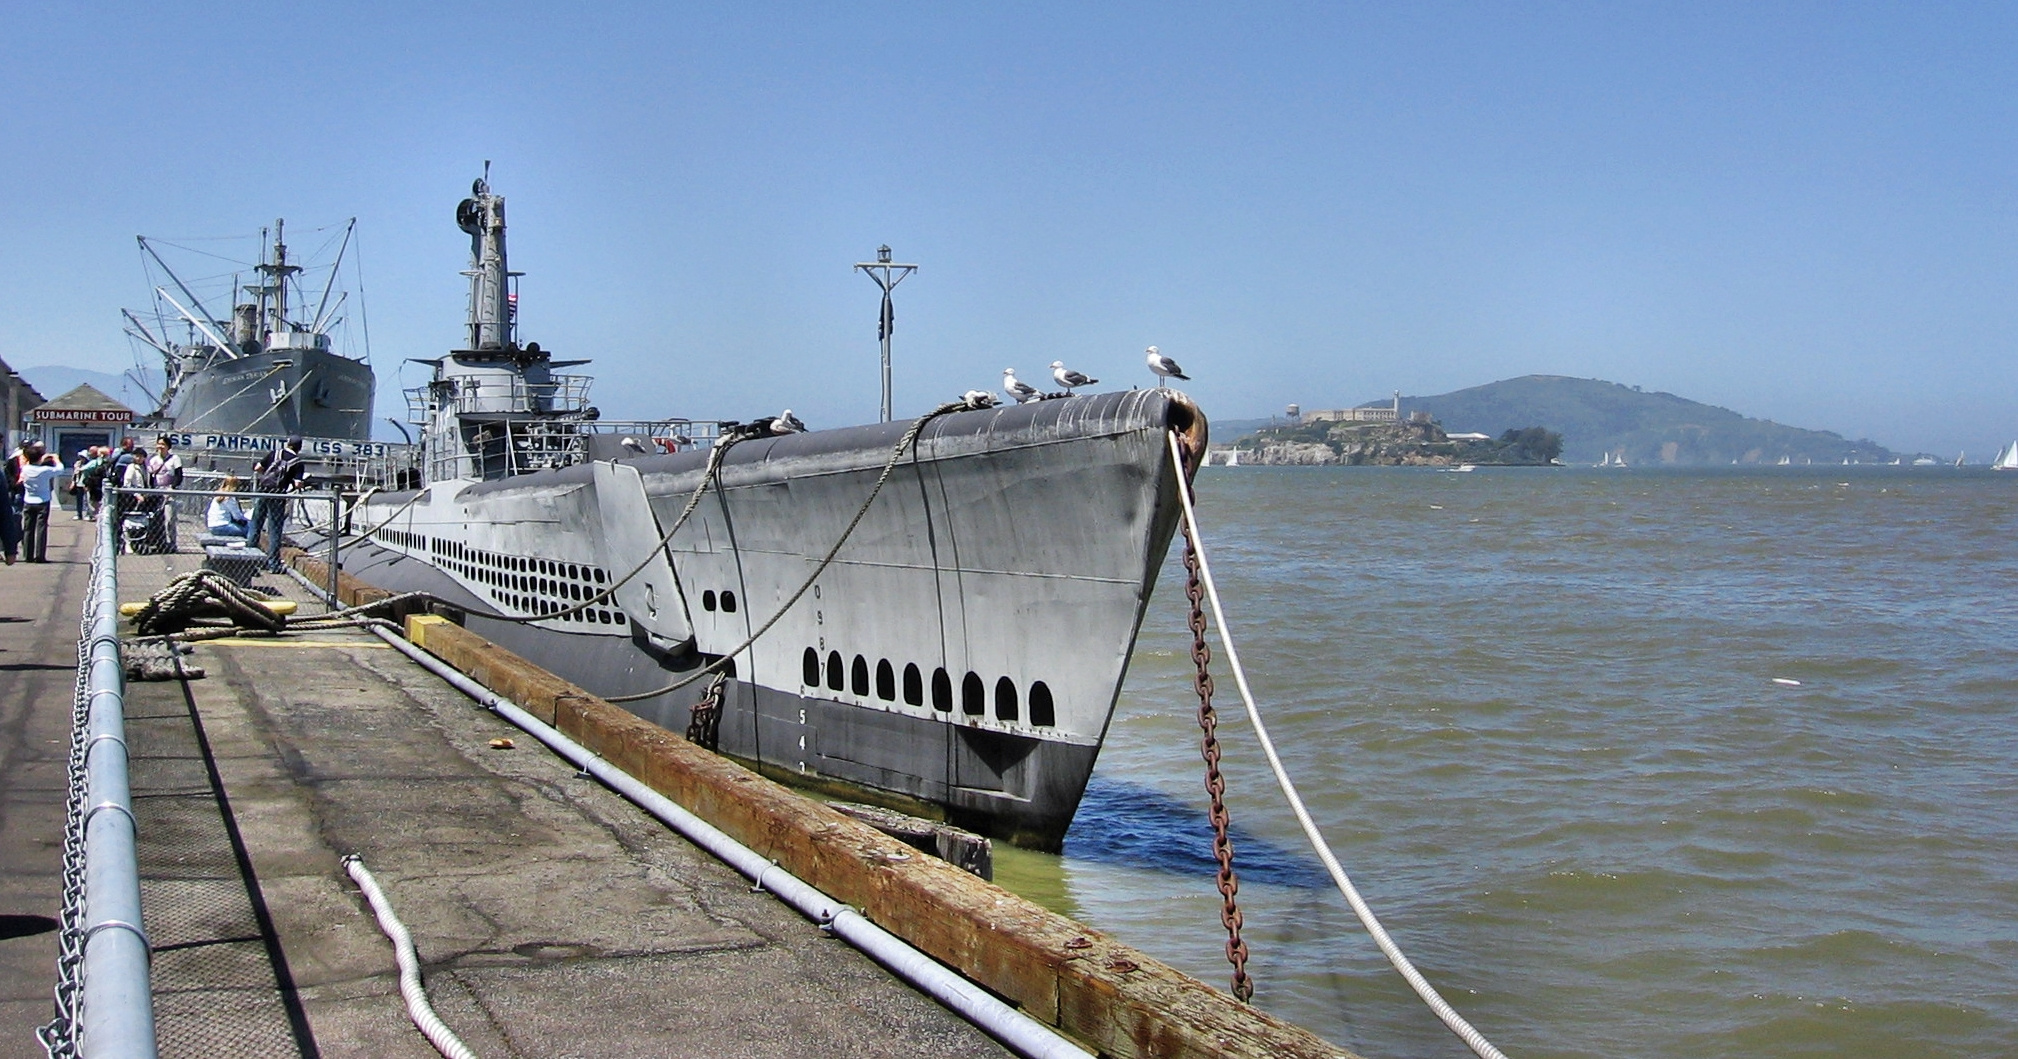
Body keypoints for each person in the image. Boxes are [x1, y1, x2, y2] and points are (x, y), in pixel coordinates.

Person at [249, 435, 305, 572]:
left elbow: (257, 468)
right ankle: (273, 564)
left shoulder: (275, 453)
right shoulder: (297, 462)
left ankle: (249, 559)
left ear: (288, 443)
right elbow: (297, 484)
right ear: (299, 448)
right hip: (278, 494)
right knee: (274, 529)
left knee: (256, 523)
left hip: (263, 491)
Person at [19, 442, 59, 563]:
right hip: (43, 501)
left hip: (28, 500)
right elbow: (60, 469)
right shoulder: (45, 470)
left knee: (28, 529)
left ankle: (28, 555)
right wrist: (55, 458)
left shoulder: (25, 469)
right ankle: (40, 555)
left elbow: (26, 463)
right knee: (41, 528)